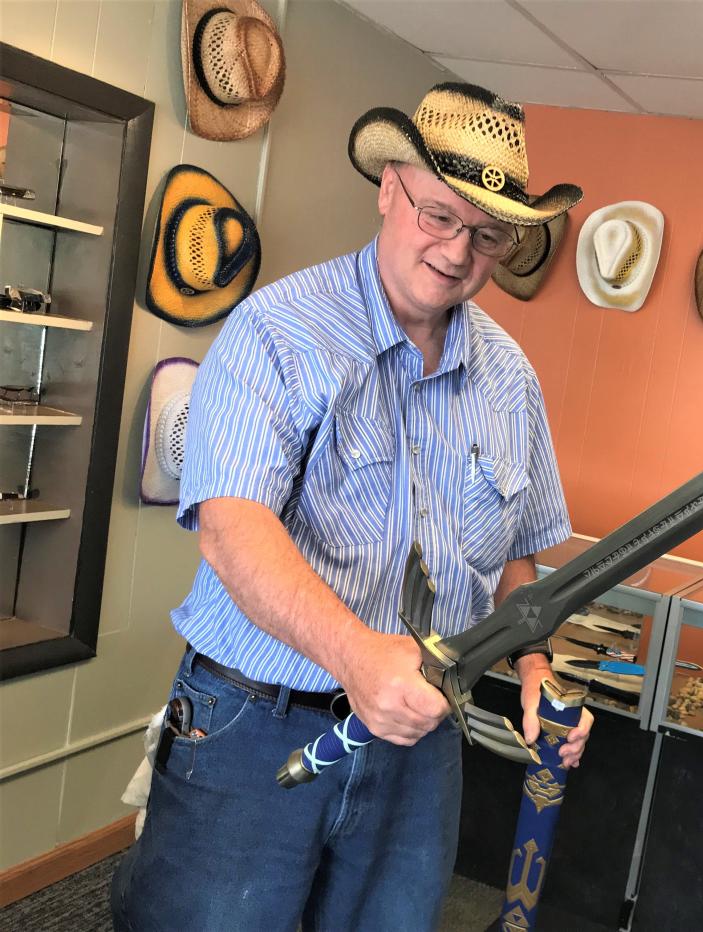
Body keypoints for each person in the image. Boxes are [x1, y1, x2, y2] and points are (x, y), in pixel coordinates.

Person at [111, 82, 592, 931]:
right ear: (388, 186)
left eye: (486, 235)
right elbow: (233, 530)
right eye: (439, 215)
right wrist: (360, 657)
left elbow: (516, 555)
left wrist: (533, 669)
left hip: (422, 742)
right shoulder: (275, 332)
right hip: (254, 728)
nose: (456, 251)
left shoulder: (512, 380)